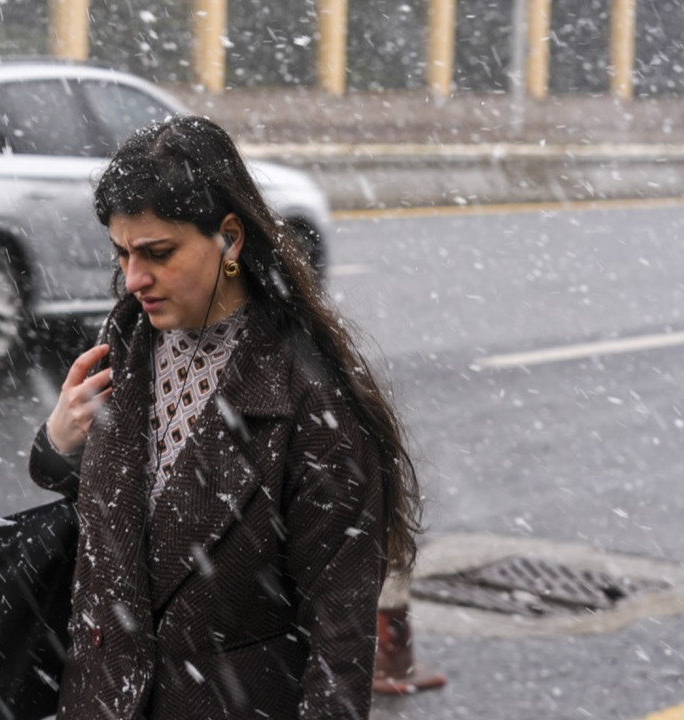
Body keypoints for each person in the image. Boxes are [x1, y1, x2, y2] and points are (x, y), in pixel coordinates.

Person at [28, 115, 423, 719]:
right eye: (122, 253)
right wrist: (58, 444)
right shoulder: (126, 340)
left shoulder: (307, 399)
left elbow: (339, 634)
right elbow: (115, 524)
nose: (133, 279)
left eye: (157, 253)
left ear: (231, 239)